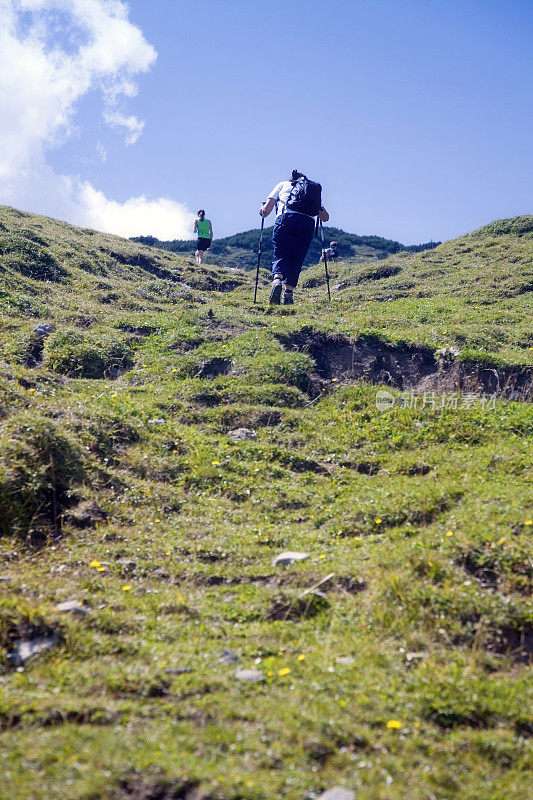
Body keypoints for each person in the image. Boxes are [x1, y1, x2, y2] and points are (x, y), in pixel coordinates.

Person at [260, 170, 329, 305]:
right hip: (307, 223)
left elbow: (266, 211)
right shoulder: (309, 191)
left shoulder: (282, 185)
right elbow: (325, 217)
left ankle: (277, 280)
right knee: (297, 257)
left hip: (286, 218)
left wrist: (262, 210)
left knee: (281, 252)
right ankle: (288, 294)